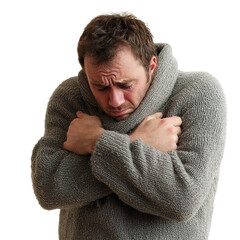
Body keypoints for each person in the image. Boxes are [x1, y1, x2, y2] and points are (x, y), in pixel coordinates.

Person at [31, 13, 226, 240]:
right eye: (100, 87)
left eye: (125, 85)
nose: (115, 101)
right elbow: (49, 188)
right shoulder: (70, 98)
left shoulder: (199, 93)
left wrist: (96, 141)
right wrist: (138, 142)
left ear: (151, 65)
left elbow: (182, 199)